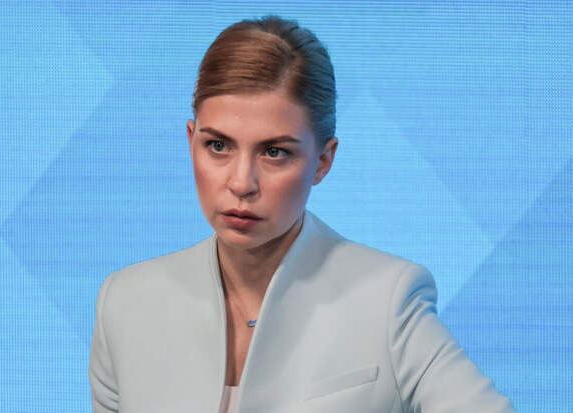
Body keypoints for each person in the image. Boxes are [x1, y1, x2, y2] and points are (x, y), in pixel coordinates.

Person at [89, 16, 517, 413]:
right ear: (191, 141)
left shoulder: (389, 300)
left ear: (323, 161)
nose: (241, 182)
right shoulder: (125, 301)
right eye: (218, 145)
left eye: (274, 152)